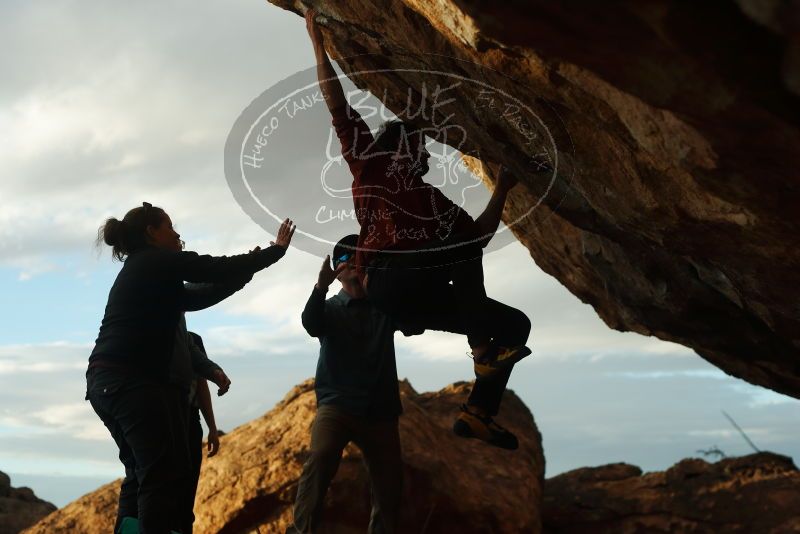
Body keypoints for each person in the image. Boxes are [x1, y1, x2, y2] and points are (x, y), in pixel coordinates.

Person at [305, 10, 531, 448]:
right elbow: (336, 103)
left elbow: (477, 239)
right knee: (464, 255)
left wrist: (502, 188)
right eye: (420, 146)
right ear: (399, 146)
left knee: (516, 326)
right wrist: (317, 45)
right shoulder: (367, 164)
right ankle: (482, 350)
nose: (427, 155)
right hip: (389, 280)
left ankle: (479, 413)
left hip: (413, 302)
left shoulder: (432, 200)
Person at [86, 201, 295, 534]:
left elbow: (200, 295)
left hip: (105, 382)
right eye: (170, 226)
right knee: (160, 475)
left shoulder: (149, 271)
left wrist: (248, 270)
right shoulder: (156, 261)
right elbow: (211, 268)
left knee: (143, 473)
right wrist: (273, 253)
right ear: (151, 233)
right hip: (130, 382)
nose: (177, 233)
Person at [288, 235, 417, 534]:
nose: (353, 268)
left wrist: (387, 282)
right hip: (338, 406)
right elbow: (310, 323)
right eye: (346, 262)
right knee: (320, 458)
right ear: (337, 271)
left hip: (381, 411)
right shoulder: (330, 308)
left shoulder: (384, 305)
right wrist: (319, 287)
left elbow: (414, 325)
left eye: (360, 260)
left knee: (389, 488)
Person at [183, 332, 221, 534]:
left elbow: (201, 382)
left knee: (187, 495)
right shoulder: (153, 332)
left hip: (190, 419)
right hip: (163, 419)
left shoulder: (193, 340)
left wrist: (212, 428)